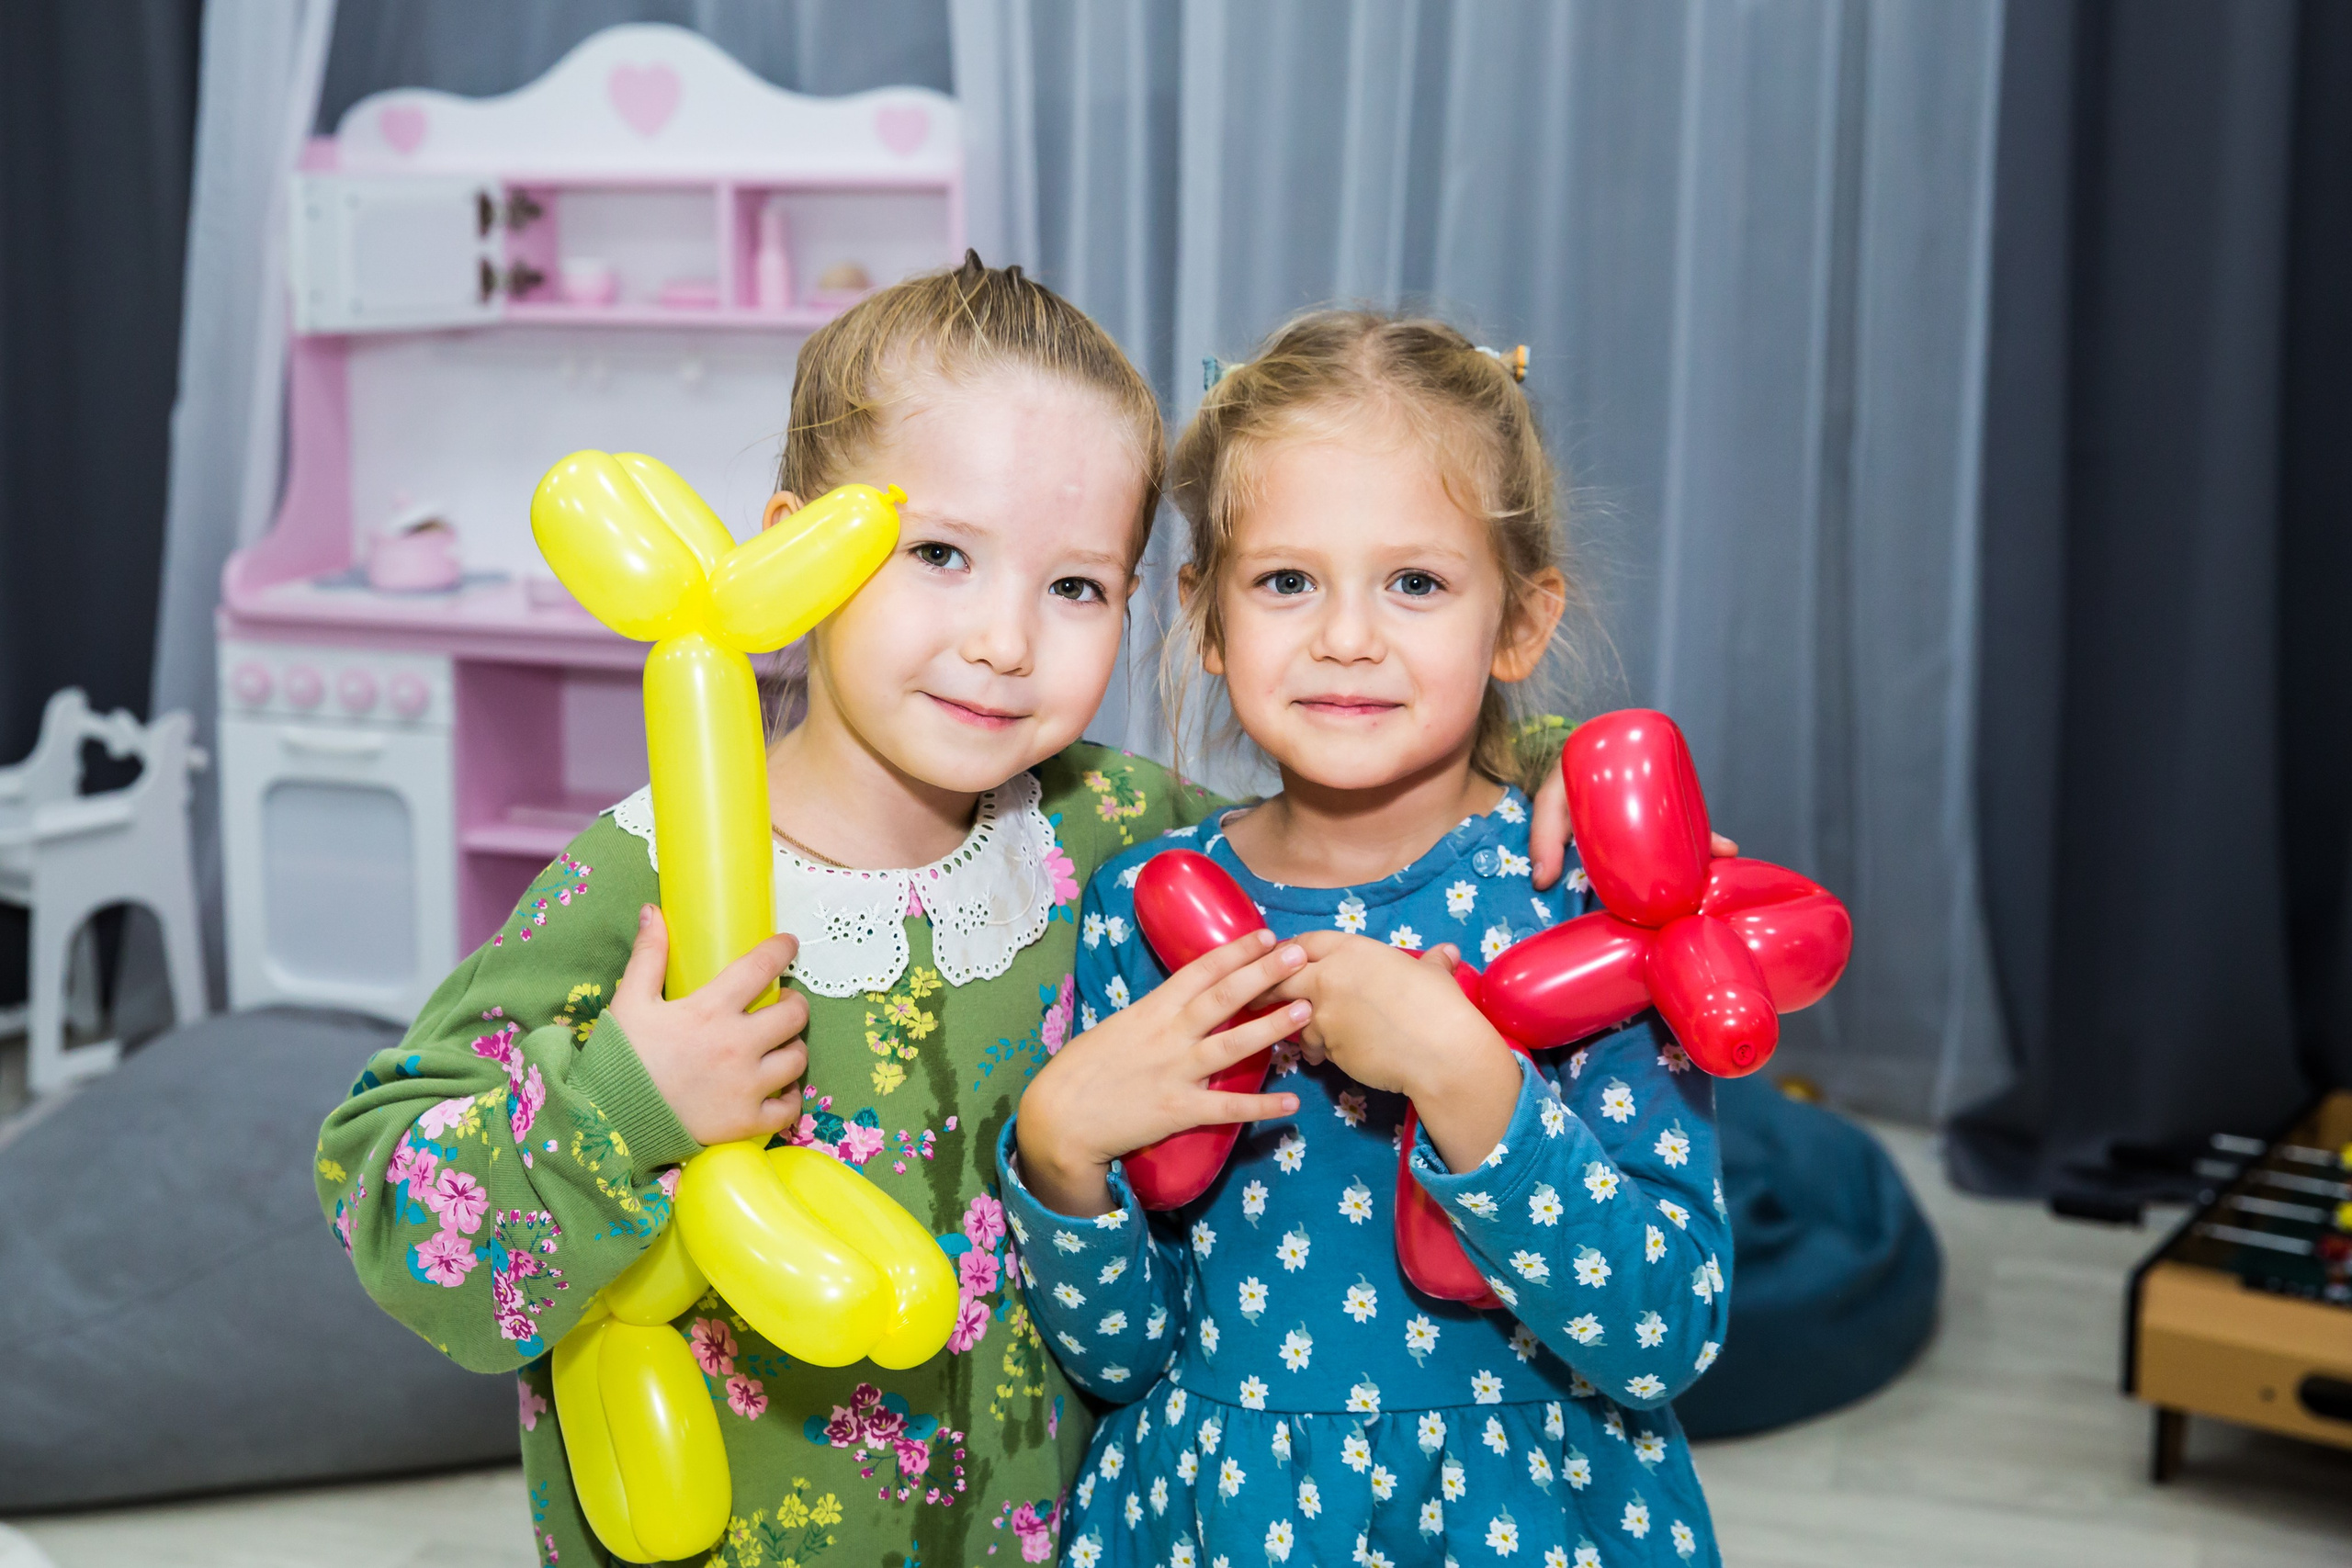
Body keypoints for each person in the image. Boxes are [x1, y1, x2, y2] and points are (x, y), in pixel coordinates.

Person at [315, 259, 1589, 1568]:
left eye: (1075, 587)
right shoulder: (638, 881)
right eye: (939, 555)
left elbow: (1351, 824)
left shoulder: (1113, 829)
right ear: (795, 554)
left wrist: (1555, 770)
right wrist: (623, 1103)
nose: (1003, 640)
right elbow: (401, 1227)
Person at [1005, 311, 1731, 1568]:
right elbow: (1120, 1359)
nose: (1347, 637)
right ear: (1209, 617)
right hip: (1218, 1527)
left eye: (1416, 583)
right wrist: (1062, 1156)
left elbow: (1662, 1332)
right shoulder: (1140, 908)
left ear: (1519, 620)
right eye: (1287, 581)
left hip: (1521, 1522)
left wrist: (1467, 1081)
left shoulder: (1588, 909)